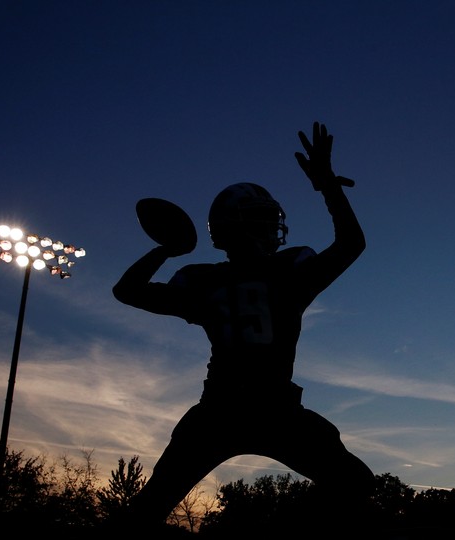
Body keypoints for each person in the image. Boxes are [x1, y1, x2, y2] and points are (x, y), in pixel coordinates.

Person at [112, 122, 374, 532]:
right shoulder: (290, 272)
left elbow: (126, 290)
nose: (271, 229)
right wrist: (328, 186)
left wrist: (165, 249)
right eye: (260, 219)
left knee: (146, 511)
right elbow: (351, 243)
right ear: (235, 226)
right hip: (274, 410)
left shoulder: (200, 281)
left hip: (219, 410)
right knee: (354, 483)